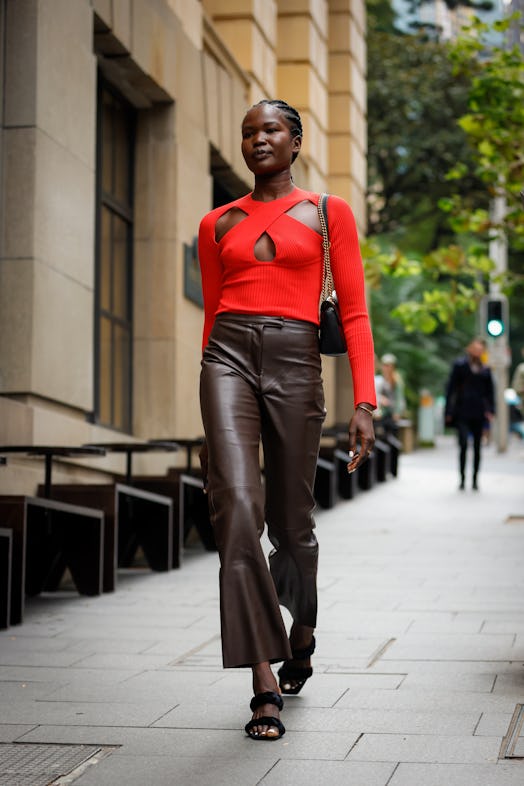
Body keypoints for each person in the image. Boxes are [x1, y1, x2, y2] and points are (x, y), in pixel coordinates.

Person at [197, 99, 376, 741]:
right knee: (237, 508)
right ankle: (263, 680)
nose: (256, 139)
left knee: (293, 521)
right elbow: (213, 314)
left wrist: (364, 401)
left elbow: (353, 312)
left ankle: (303, 626)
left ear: (294, 141)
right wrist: (213, 429)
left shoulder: (329, 214)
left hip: (298, 361)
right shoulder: (216, 224)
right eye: (247, 132)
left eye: (270, 129)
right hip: (226, 357)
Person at [445, 337, 495, 490]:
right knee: (464, 444)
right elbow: (450, 389)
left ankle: (474, 479)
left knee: (478, 447)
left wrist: (490, 411)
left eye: (480, 349)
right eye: (475, 348)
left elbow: (490, 392)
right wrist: (448, 411)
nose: (477, 351)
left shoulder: (485, 369)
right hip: (462, 411)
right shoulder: (460, 365)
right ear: (470, 349)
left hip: (478, 412)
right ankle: (462, 479)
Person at [374, 353, 406, 435]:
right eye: (385, 365)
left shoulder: (396, 381)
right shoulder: (379, 379)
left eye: (389, 365)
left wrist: (397, 412)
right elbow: (376, 394)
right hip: (381, 414)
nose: (386, 368)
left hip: (392, 414)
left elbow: (399, 398)